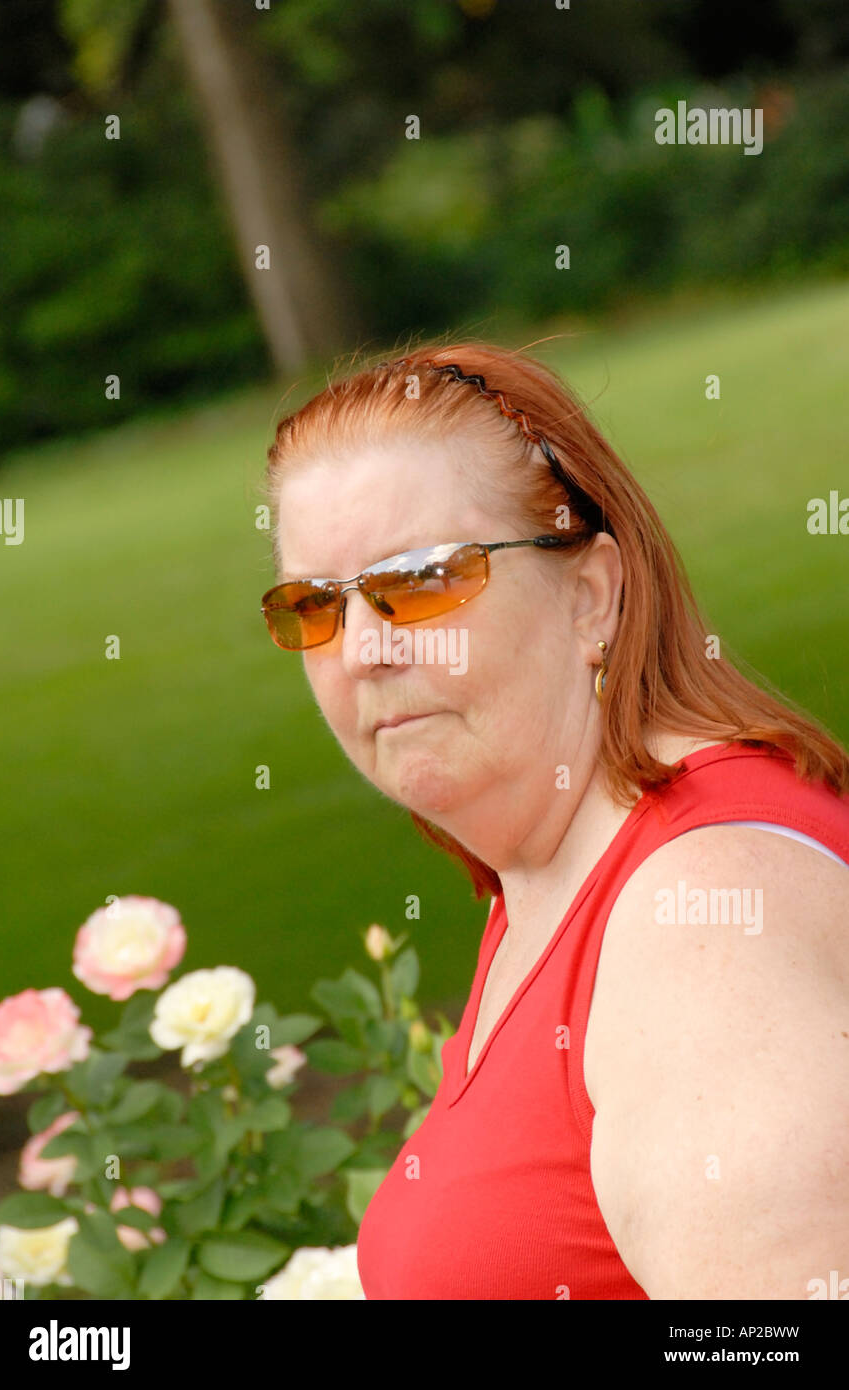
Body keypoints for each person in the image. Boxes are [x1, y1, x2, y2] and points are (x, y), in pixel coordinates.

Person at [260, 344, 849, 1300]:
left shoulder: (702, 919)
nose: (362, 650)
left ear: (591, 596)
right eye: (312, 606)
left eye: (418, 579)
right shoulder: (552, 867)